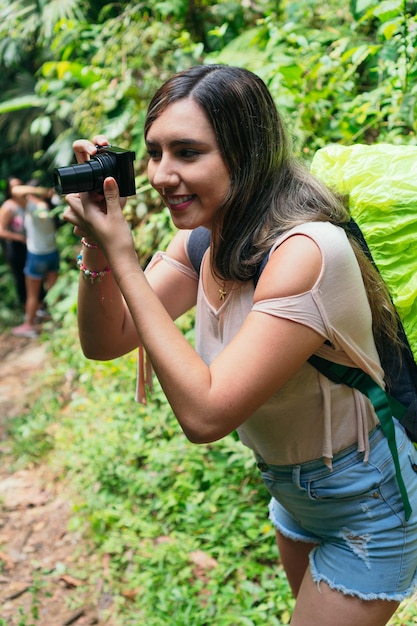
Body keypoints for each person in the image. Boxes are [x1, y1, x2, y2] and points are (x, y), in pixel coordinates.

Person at [62, 65, 417, 625]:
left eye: (187, 152)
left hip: (366, 501)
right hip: (293, 493)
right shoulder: (207, 239)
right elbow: (108, 340)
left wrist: (125, 254)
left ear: (244, 153)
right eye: (154, 152)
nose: (161, 174)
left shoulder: (306, 251)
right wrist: (99, 249)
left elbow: (205, 415)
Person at [11, 182, 60, 338]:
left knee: (32, 295)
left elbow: (15, 190)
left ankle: (28, 325)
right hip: (53, 253)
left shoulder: (32, 207)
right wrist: (45, 192)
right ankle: (58, 323)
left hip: (37, 256)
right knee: (53, 291)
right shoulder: (52, 203)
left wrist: (36, 191)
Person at [0, 177, 27, 308]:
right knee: (21, 279)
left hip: (29, 246)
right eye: (14, 186)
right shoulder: (8, 206)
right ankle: (25, 309)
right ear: (9, 190)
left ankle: (38, 308)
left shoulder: (26, 203)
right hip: (15, 248)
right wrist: (20, 238)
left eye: (20, 185)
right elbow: (1, 231)